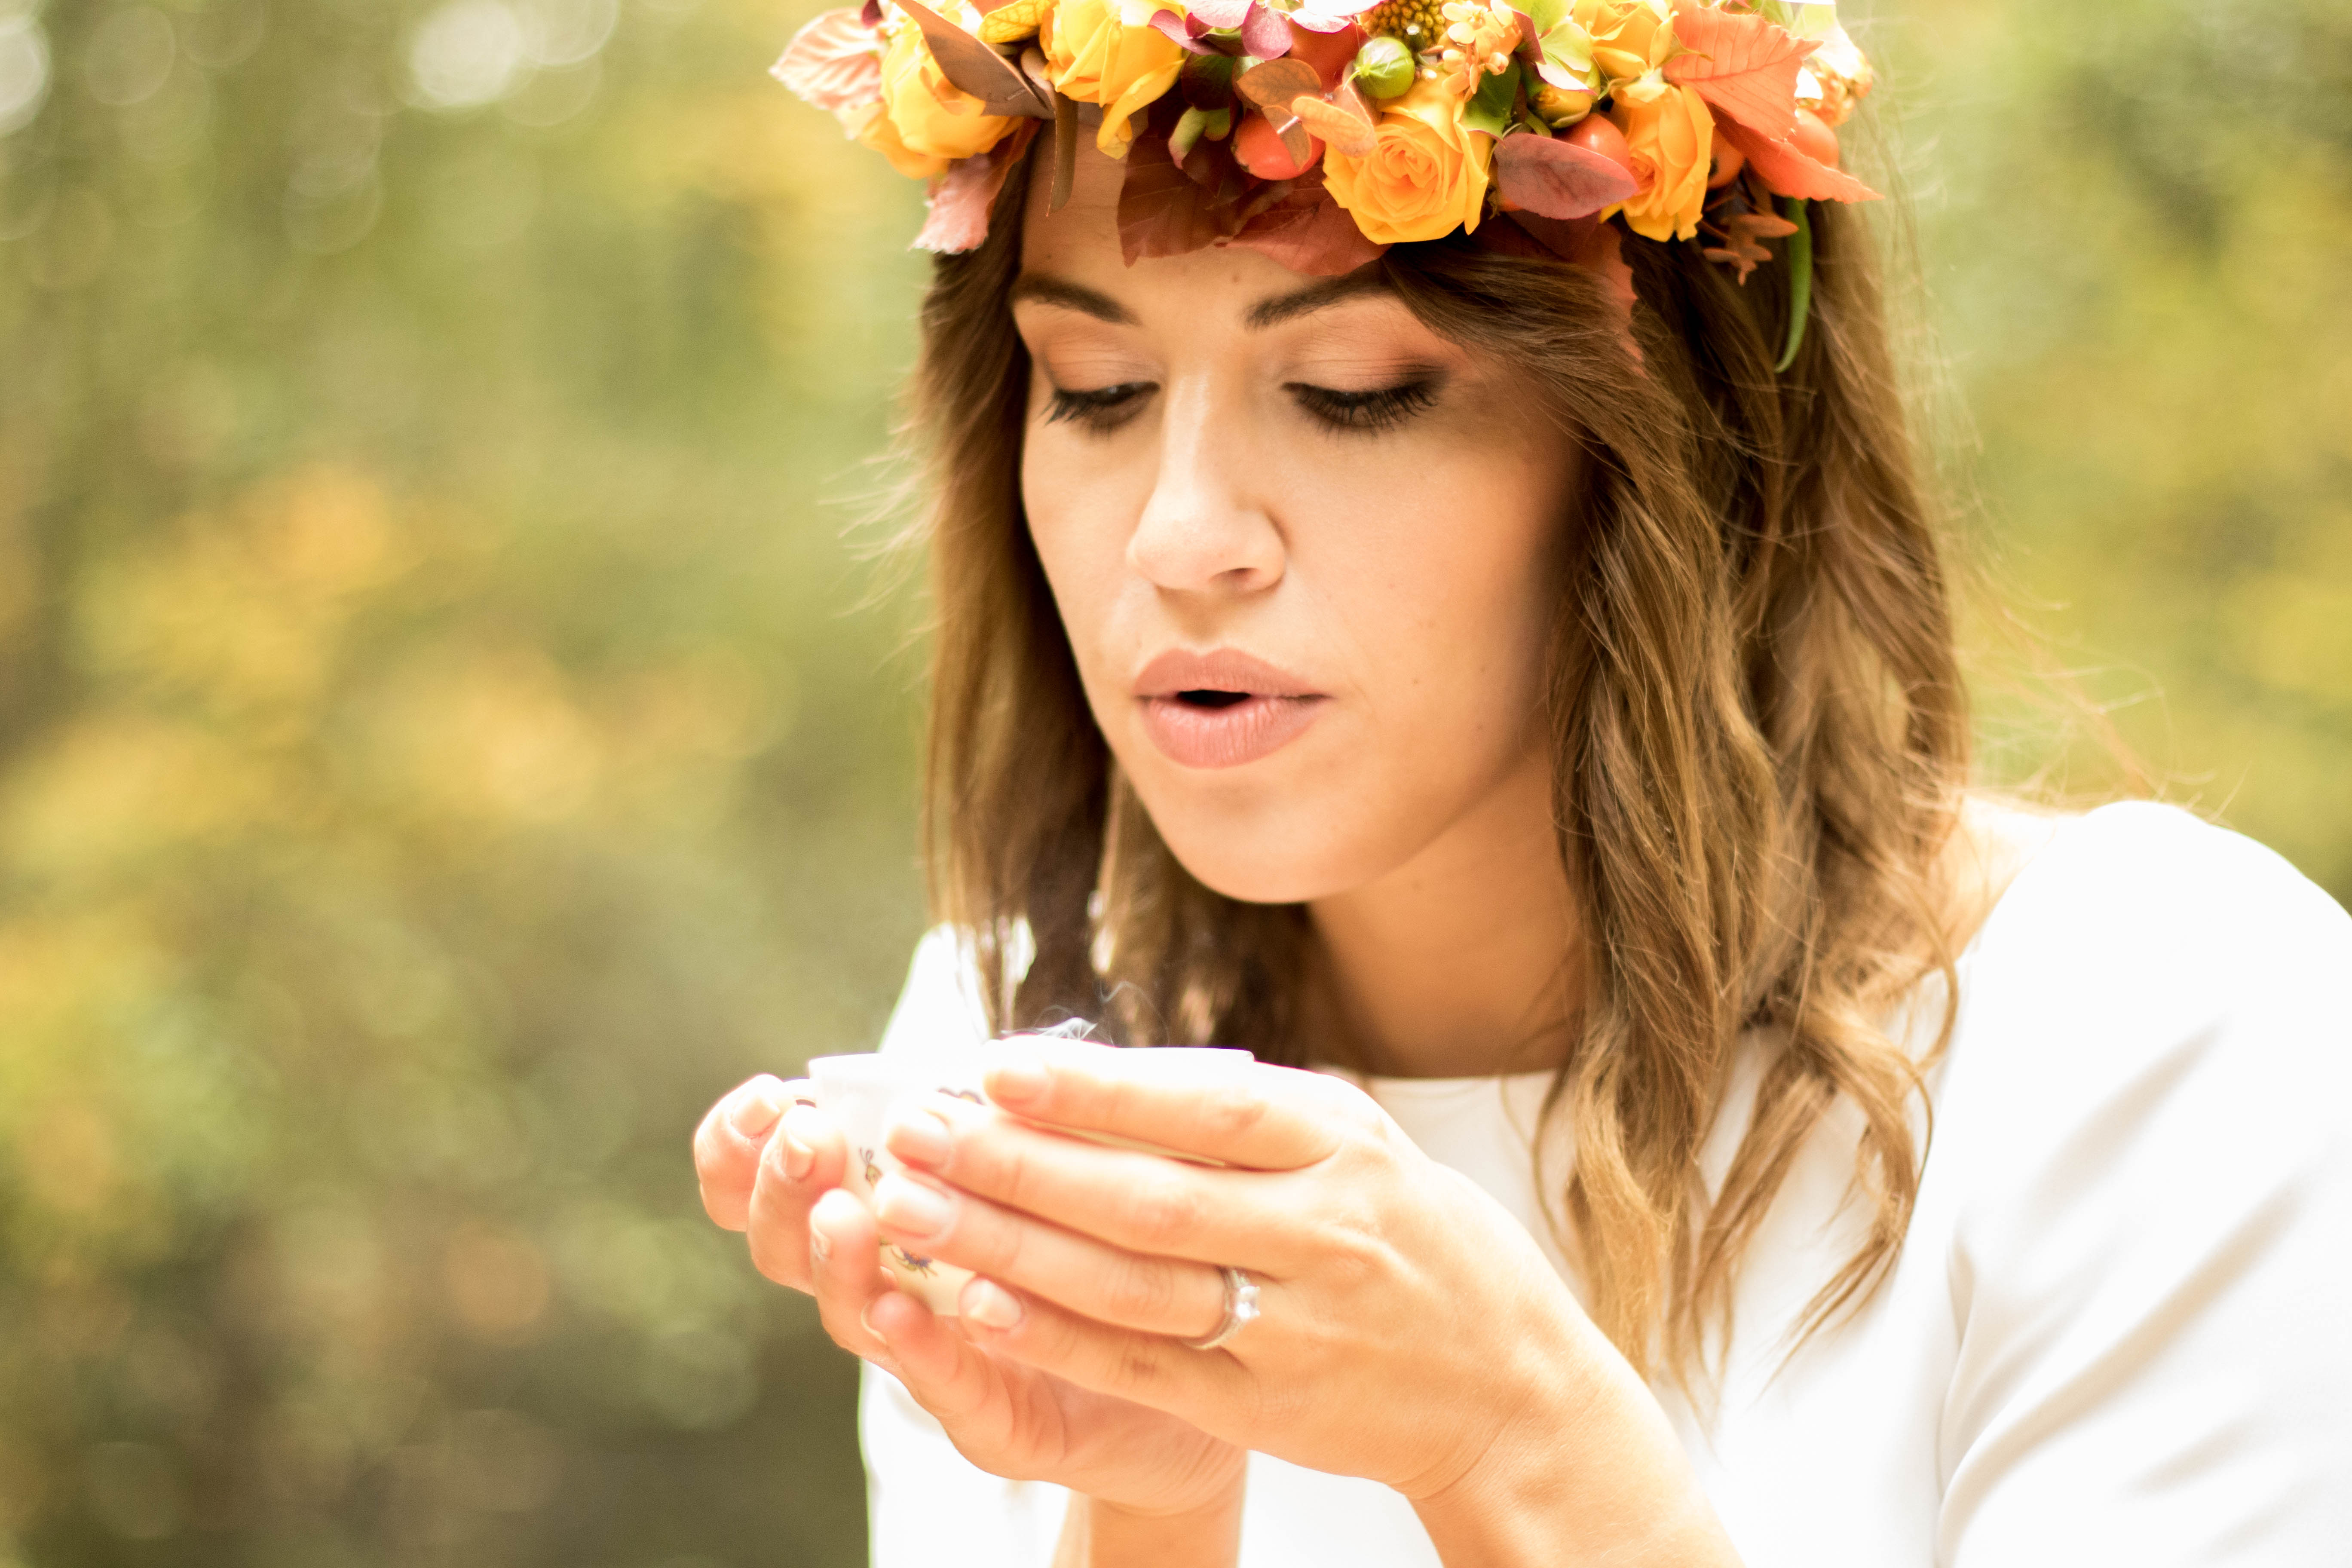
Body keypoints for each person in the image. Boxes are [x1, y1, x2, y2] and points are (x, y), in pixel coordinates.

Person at [695, 1, 2352, 1562]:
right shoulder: (1009, 1041)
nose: (1180, 537)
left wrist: (1513, 1445)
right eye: (1097, 390)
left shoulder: (2154, 1038)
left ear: (1671, 450)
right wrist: (1149, 1507)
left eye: (1357, 393)